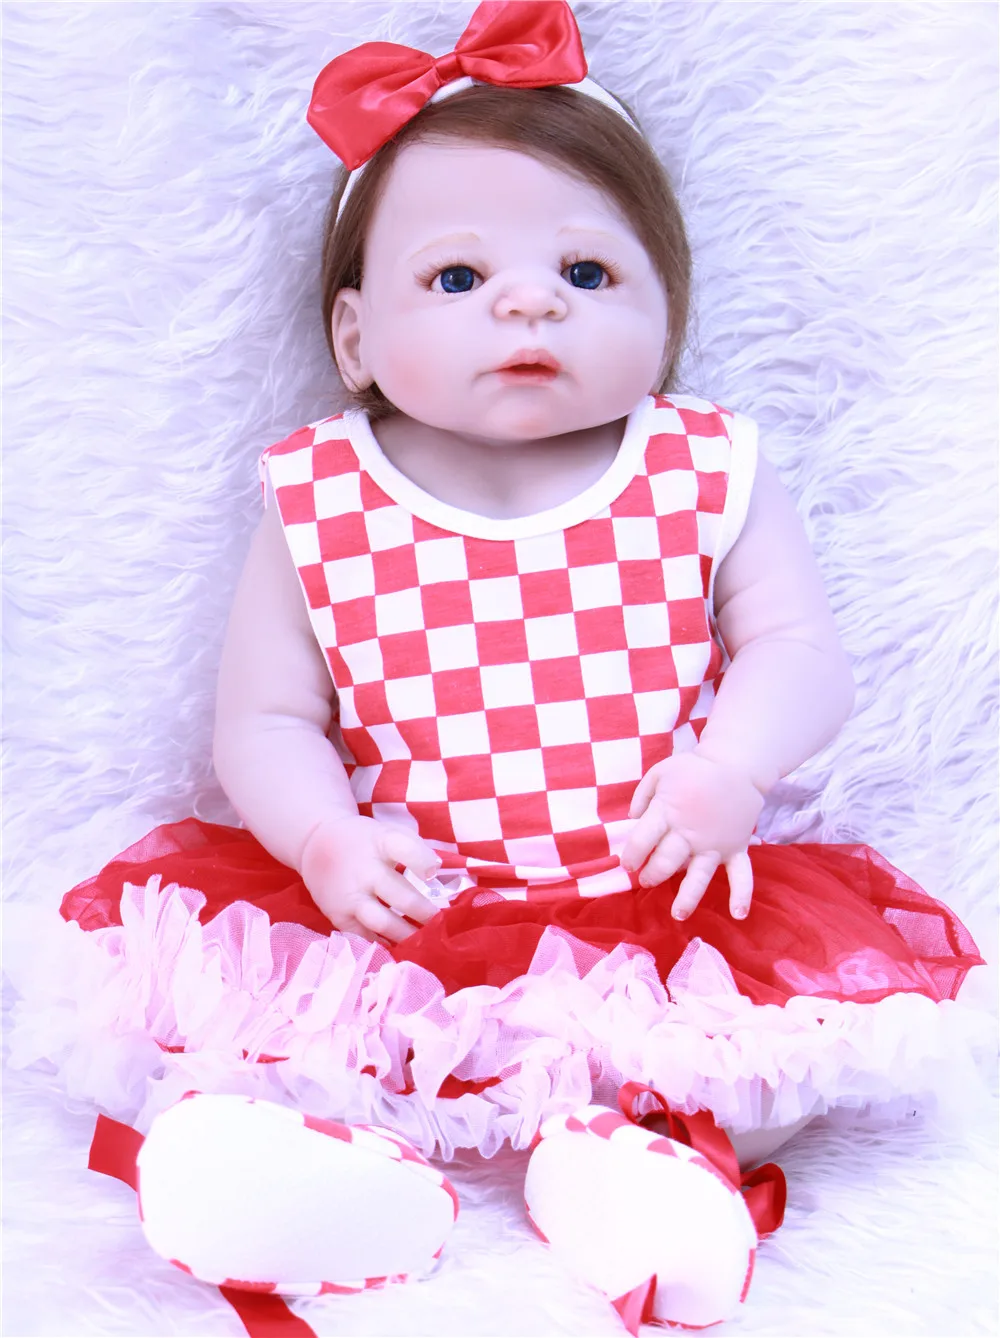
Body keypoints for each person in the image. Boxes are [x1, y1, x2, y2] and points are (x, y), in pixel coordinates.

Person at [29, 0, 984, 1317]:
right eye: (456, 278)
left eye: (587, 274)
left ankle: (639, 1170)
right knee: (297, 1040)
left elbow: (801, 652)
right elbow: (264, 719)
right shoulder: (325, 499)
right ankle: (315, 1171)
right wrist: (323, 840)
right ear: (354, 340)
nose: (529, 299)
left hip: (650, 906)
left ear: (667, 313)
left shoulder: (700, 469)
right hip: (411, 910)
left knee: (754, 1074)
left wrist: (731, 768)